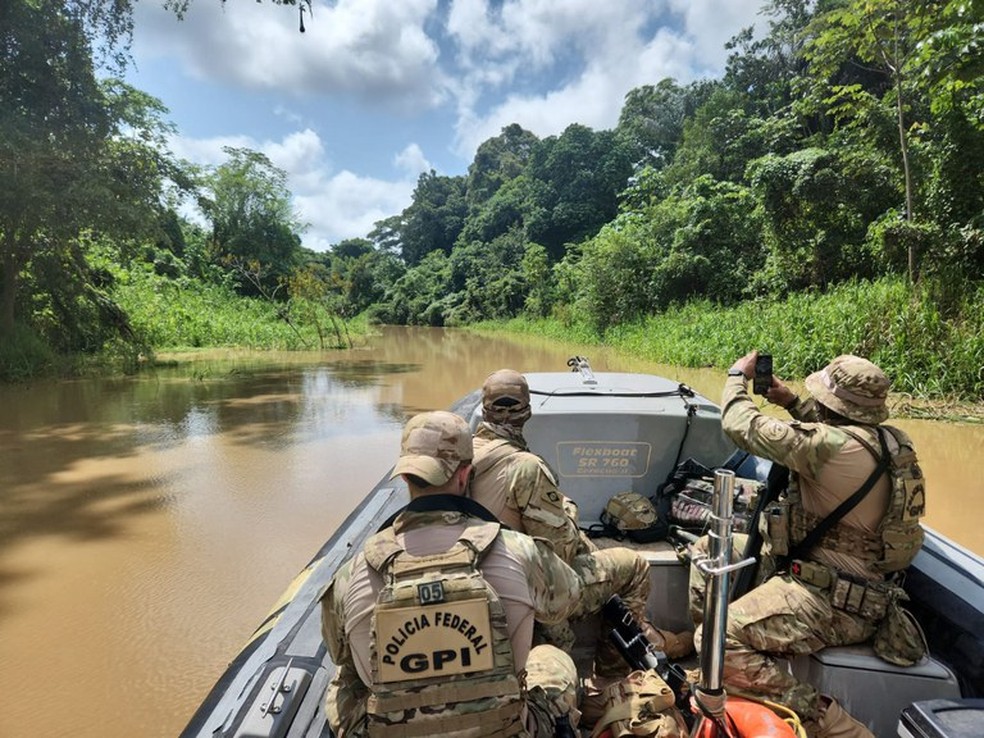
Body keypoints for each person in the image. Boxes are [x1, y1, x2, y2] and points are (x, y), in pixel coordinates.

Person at [689, 352, 926, 738]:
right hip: (850, 589)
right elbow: (835, 436)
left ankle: (822, 715)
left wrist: (737, 375)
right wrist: (792, 403)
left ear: (832, 403)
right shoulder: (890, 441)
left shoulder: (830, 447)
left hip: (833, 604)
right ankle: (714, 671)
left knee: (717, 640)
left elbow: (740, 425)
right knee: (709, 552)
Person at [321, 410, 585, 737]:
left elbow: (338, 651)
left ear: (405, 478)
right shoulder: (519, 550)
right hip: (502, 731)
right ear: (464, 476)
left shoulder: (353, 573)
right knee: (551, 657)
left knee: (343, 676)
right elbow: (568, 599)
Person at [469, 369, 694, 673]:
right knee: (633, 566)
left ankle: (645, 637)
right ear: (527, 411)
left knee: (590, 552)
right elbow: (559, 554)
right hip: (532, 588)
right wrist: (569, 510)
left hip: (485, 579)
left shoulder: (464, 458)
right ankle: (613, 675)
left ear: (484, 410)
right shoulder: (527, 467)